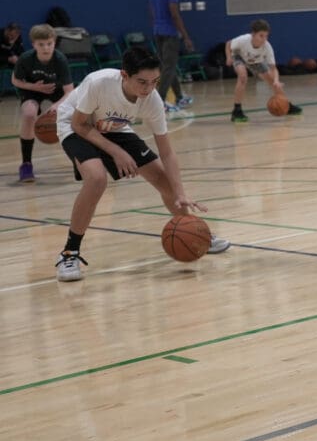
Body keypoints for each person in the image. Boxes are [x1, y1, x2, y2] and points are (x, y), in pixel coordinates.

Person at [53, 47, 230, 281]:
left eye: (155, 82)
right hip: (76, 125)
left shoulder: (152, 99)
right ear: (124, 75)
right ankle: (69, 253)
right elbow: (79, 125)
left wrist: (180, 193)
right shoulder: (99, 83)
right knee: (96, 179)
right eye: (142, 82)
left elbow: (167, 152)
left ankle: (194, 232)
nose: (148, 89)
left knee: (163, 180)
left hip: (113, 126)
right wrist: (116, 151)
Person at [11, 24, 73, 183]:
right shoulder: (26, 59)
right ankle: (26, 164)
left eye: (49, 44)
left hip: (56, 91)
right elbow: (15, 80)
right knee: (29, 114)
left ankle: (79, 159)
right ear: (33, 44)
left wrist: (57, 105)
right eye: (41, 44)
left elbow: (69, 91)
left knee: (74, 116)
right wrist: (34, 87)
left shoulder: (60, 59)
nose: (46, 48)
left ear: (54, 42)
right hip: (32, 89)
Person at [226, 19, 302, 123]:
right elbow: (228, 44)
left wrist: (276, 80)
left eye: (266, 36)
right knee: (243, 77)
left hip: (255, 61)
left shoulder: (267, 47)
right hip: (239, 56)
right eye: (261, 36)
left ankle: (286, 105)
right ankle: (237, 111)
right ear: (253, 34)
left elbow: (273, 68)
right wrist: (228, 57)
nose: (264, 39)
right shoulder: (243, 40)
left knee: (273, 82)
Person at [148, 0, 194, 111]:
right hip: (169, 33)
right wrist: (186, 36)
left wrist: (157, 25)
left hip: (158, 31)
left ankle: (179, 97)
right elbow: (174, 14)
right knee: (168, 67)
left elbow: (152, 10)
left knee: (168, 66)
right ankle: (159, 101)